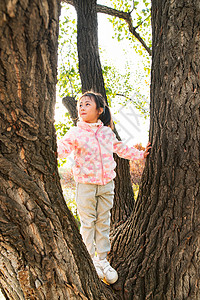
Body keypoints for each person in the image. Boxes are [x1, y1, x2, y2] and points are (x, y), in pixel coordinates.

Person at [57, 91, 151, 284]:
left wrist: (140, 154)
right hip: (85, 185)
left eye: (87, 104)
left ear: (99, 110)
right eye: (80, 105)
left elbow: (121, 148)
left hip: (107, 184)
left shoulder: (107, 132)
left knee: (103, 222)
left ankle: (102, 260)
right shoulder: (76, 132)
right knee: (88, 222)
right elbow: (63, 148)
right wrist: (51, 144)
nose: (82, 107)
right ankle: (90, 259)